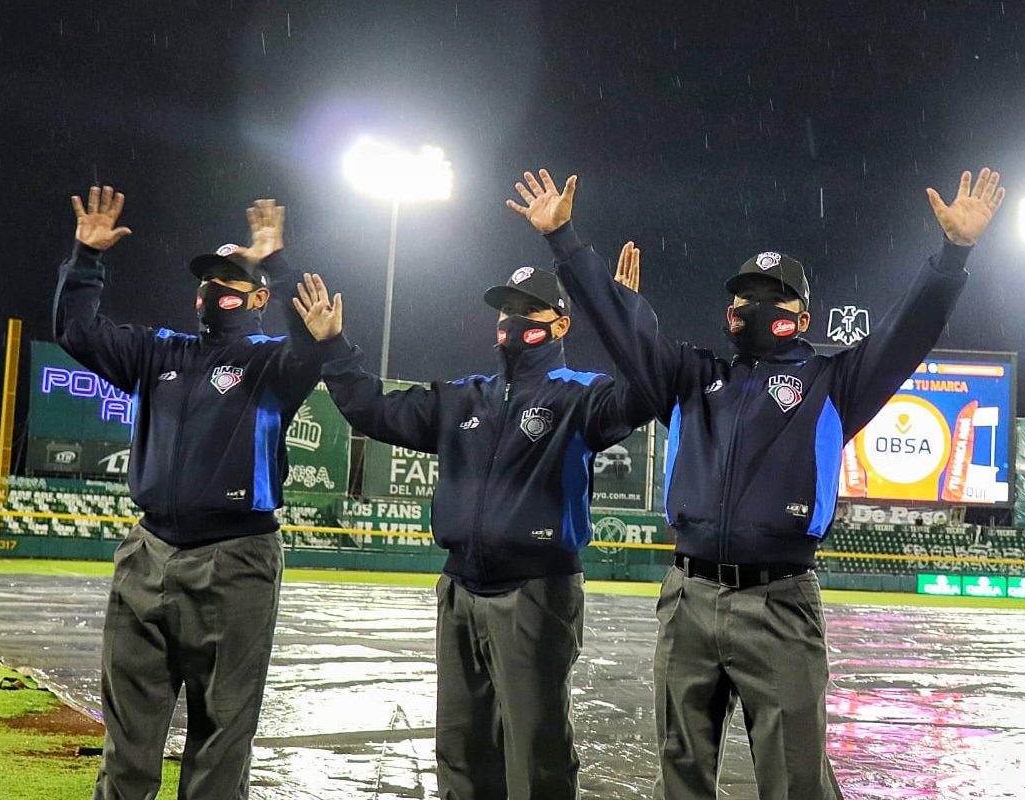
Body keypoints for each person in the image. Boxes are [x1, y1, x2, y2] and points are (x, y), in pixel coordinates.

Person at [507, 166, 1005, 799]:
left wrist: (952, 254)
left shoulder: (834, 384)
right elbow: (622, 328)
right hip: (687, 598)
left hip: (781, 603)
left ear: (801, 313)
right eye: (743, 296)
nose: (751, 307)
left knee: (795, 782)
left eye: (769, 295)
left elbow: (907, 335)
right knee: (680, 776)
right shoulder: (689, 378)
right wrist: (565, 242)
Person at [293, 260, 650, 800]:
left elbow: (642, 392)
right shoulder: (465, 396)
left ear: (560, 324)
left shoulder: (579, 394)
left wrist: (625, 319)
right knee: (460, 751)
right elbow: (376, 411)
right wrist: (334, 348)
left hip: (536, 592)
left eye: (526, 308)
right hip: (460, 590)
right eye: (505, 309)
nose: (510, 319)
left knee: (538, 753)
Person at [54, 189, 336, 799]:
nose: (215, 290)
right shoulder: (161, 351)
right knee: (127, 739)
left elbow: (313, 340)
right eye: (208, 280)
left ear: (259, 297)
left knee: (221, 741)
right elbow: (78, 332)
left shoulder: (272, 364)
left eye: (232, 281)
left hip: (236, 561)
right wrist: (86, 260)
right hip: (148, 551)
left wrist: (277, 264)